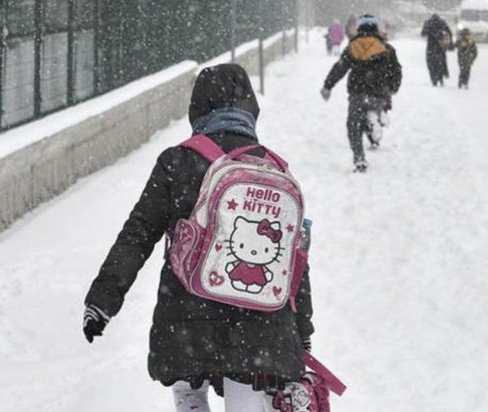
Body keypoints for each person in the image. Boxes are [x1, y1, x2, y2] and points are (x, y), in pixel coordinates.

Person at [82, 64, 314, 411]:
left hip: (186, 316)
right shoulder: (273, 169)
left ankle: (191, 399)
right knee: (248, 395)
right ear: (250, 109)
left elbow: (139, 233)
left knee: (188, 388)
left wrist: (103, 299)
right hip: (259, 324)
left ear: (197, 109)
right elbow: (292, 259)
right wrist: (302, 328)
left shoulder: (177, 161)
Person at [320, 14, 403, 173]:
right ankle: (375, 122)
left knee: (354, 125)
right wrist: (393, 87)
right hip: (379, 93)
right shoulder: (387, 49)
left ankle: (359, 158)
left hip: (357, 92)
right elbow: (396, 71)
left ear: (359, 28)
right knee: (372, 112)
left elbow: (340, 68)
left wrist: (327, 86)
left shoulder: (353, 47)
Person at [421, 14, 453, 87]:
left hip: (430, 47)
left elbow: (423, 33)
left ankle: (434, 80)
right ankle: (441, 77)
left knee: (431, 64)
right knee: (441, 63)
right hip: (440, 47)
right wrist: (450, 44)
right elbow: (449, 33)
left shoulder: (428, 23)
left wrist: (430, 32)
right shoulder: (442, 23)